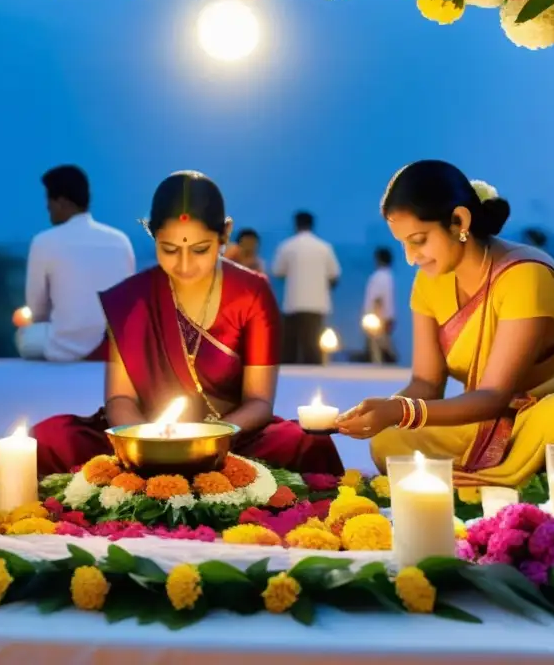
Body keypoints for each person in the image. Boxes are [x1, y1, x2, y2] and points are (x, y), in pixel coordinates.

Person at [335, 161, 554, 487]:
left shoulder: (526, 274)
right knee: (390, 439)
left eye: (419, 240)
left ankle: (499, 480)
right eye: (403, 244)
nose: (411, 257)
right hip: (506, 420)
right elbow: (425, 383)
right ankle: (514, 475)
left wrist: (402, 410)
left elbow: (494, 395)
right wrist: (384, 412)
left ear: (459, 221)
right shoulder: (428, 281)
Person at [33, 171, 344, 477]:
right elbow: (120, 398)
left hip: (230, 441)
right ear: (152, 234)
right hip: (141, 438)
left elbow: (259, 401)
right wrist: (145, 442)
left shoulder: (252, 292)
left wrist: (206, 439)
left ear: (224, 233)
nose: (183, 265)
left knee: (308, 444)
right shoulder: (133, 297)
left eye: (200, 249)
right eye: (169, 249)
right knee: (45, 441)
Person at [16, 165, 135, 362]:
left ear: (61, 202)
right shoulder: (120, 241)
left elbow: (37, 310)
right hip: (114, 349)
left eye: (49, 201)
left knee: (26, 336)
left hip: (63, 349)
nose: (47, 208)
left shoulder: (44, 242)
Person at [272, 211, 341, 365]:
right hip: (317, 304)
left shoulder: (287, 246)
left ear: (295, 224)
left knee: (289, 350)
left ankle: (288, 385)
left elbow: (278, 272)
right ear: (312, 225)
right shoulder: (324, 247)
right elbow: (335, 275)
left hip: (293, 303)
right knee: (313, 350)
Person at [362, 247, 397, 362]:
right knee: (383, 345)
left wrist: (375, 319)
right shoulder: (389, 276)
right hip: (386, 317)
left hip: (378, 319)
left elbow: (378, 299)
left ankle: (383, 365)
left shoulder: (379, 276)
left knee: (377, 349)